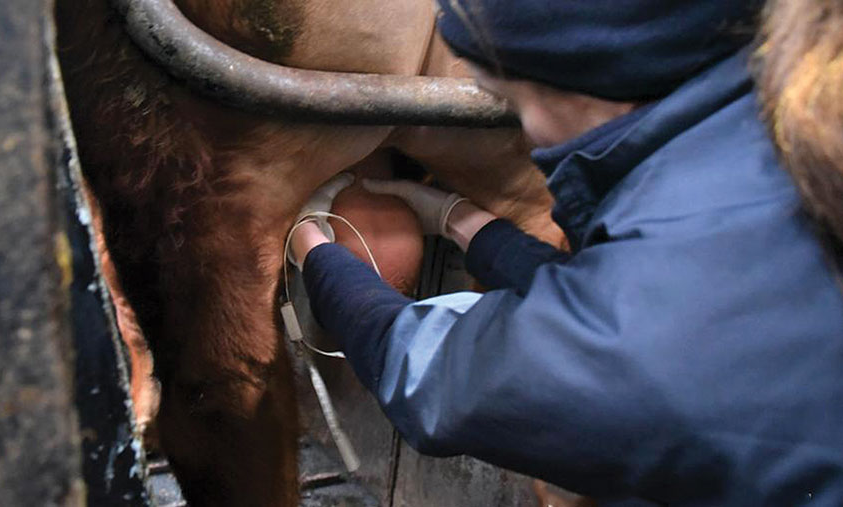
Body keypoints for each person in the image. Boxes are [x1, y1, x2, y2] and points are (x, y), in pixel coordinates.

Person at [289, 0, 843, 505]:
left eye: (510, 101)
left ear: (582, 86)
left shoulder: (642, 339)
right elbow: (632, 302)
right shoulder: (772, 127)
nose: (526, 133)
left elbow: (427, 373)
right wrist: (468, 224)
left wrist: (316, 250)